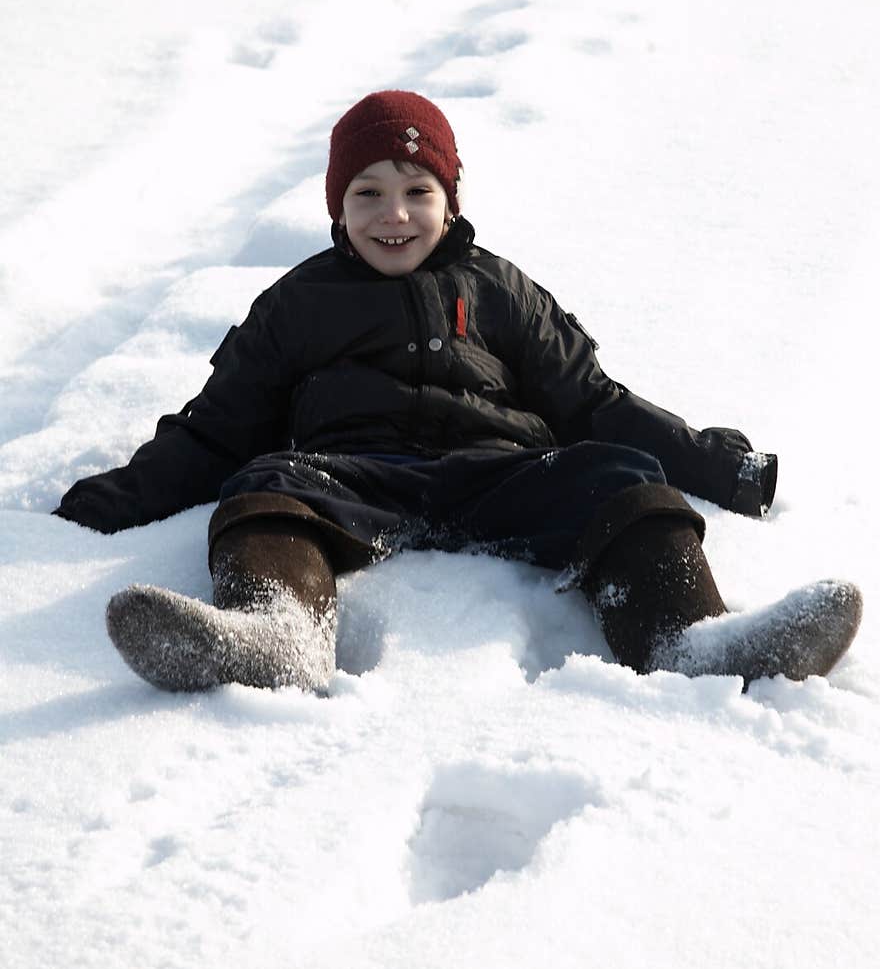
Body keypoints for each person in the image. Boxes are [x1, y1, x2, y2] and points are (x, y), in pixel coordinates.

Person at [54, 91, 862, 693]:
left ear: (452, 198)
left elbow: (591, 400)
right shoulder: (298, 303)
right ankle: (279, 632)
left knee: (620, 476)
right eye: (367, 192)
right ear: (338, 205)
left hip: (500, 473)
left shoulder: (500, 288)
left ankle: (692, 641)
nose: (393, 214)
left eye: (417, 191)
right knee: (265, 484)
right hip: (354, 474)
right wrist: (99, 505)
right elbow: (216, 431)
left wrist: (720, 468)